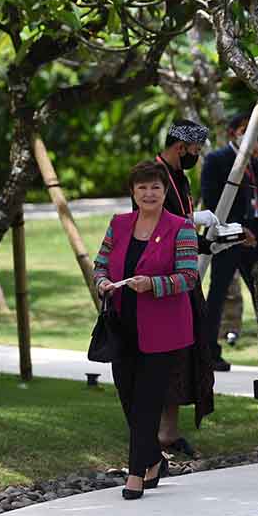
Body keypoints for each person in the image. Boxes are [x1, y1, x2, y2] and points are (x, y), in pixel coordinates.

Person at [93, 162, 199, 499]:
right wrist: (102, 282)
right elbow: (100, 265)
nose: (149, 193)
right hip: (122, 326)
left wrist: (153, 284)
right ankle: (152, 458)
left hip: (163, 330)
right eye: (142, 188)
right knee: (128, 398)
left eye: (155, 187)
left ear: (165, 192)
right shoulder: (119, 224)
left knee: (147, 403)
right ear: (133, 192)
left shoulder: (181, 228)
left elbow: (189, 277)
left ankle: (136, 474)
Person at [151, 119, 216, 454]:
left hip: (185, 274)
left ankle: (169, 432)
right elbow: (154, 223)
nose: (197, 155)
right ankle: (154, 433)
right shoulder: (152, 177)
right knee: (166, 355)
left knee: (187, 354)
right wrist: (193, 224)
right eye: (195, 149)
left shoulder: (180, 177)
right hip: (162, 278)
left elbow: (183, 227)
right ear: (180, 147)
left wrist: (212, 242)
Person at [200, 112, 258, 372]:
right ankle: (209, 352)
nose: (250, 136)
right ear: (233, 133)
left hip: (257, 236)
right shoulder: (217, 160)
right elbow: (212, 201)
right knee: (218, 294)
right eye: (244, 131)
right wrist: (238, 231)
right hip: (228, 236)